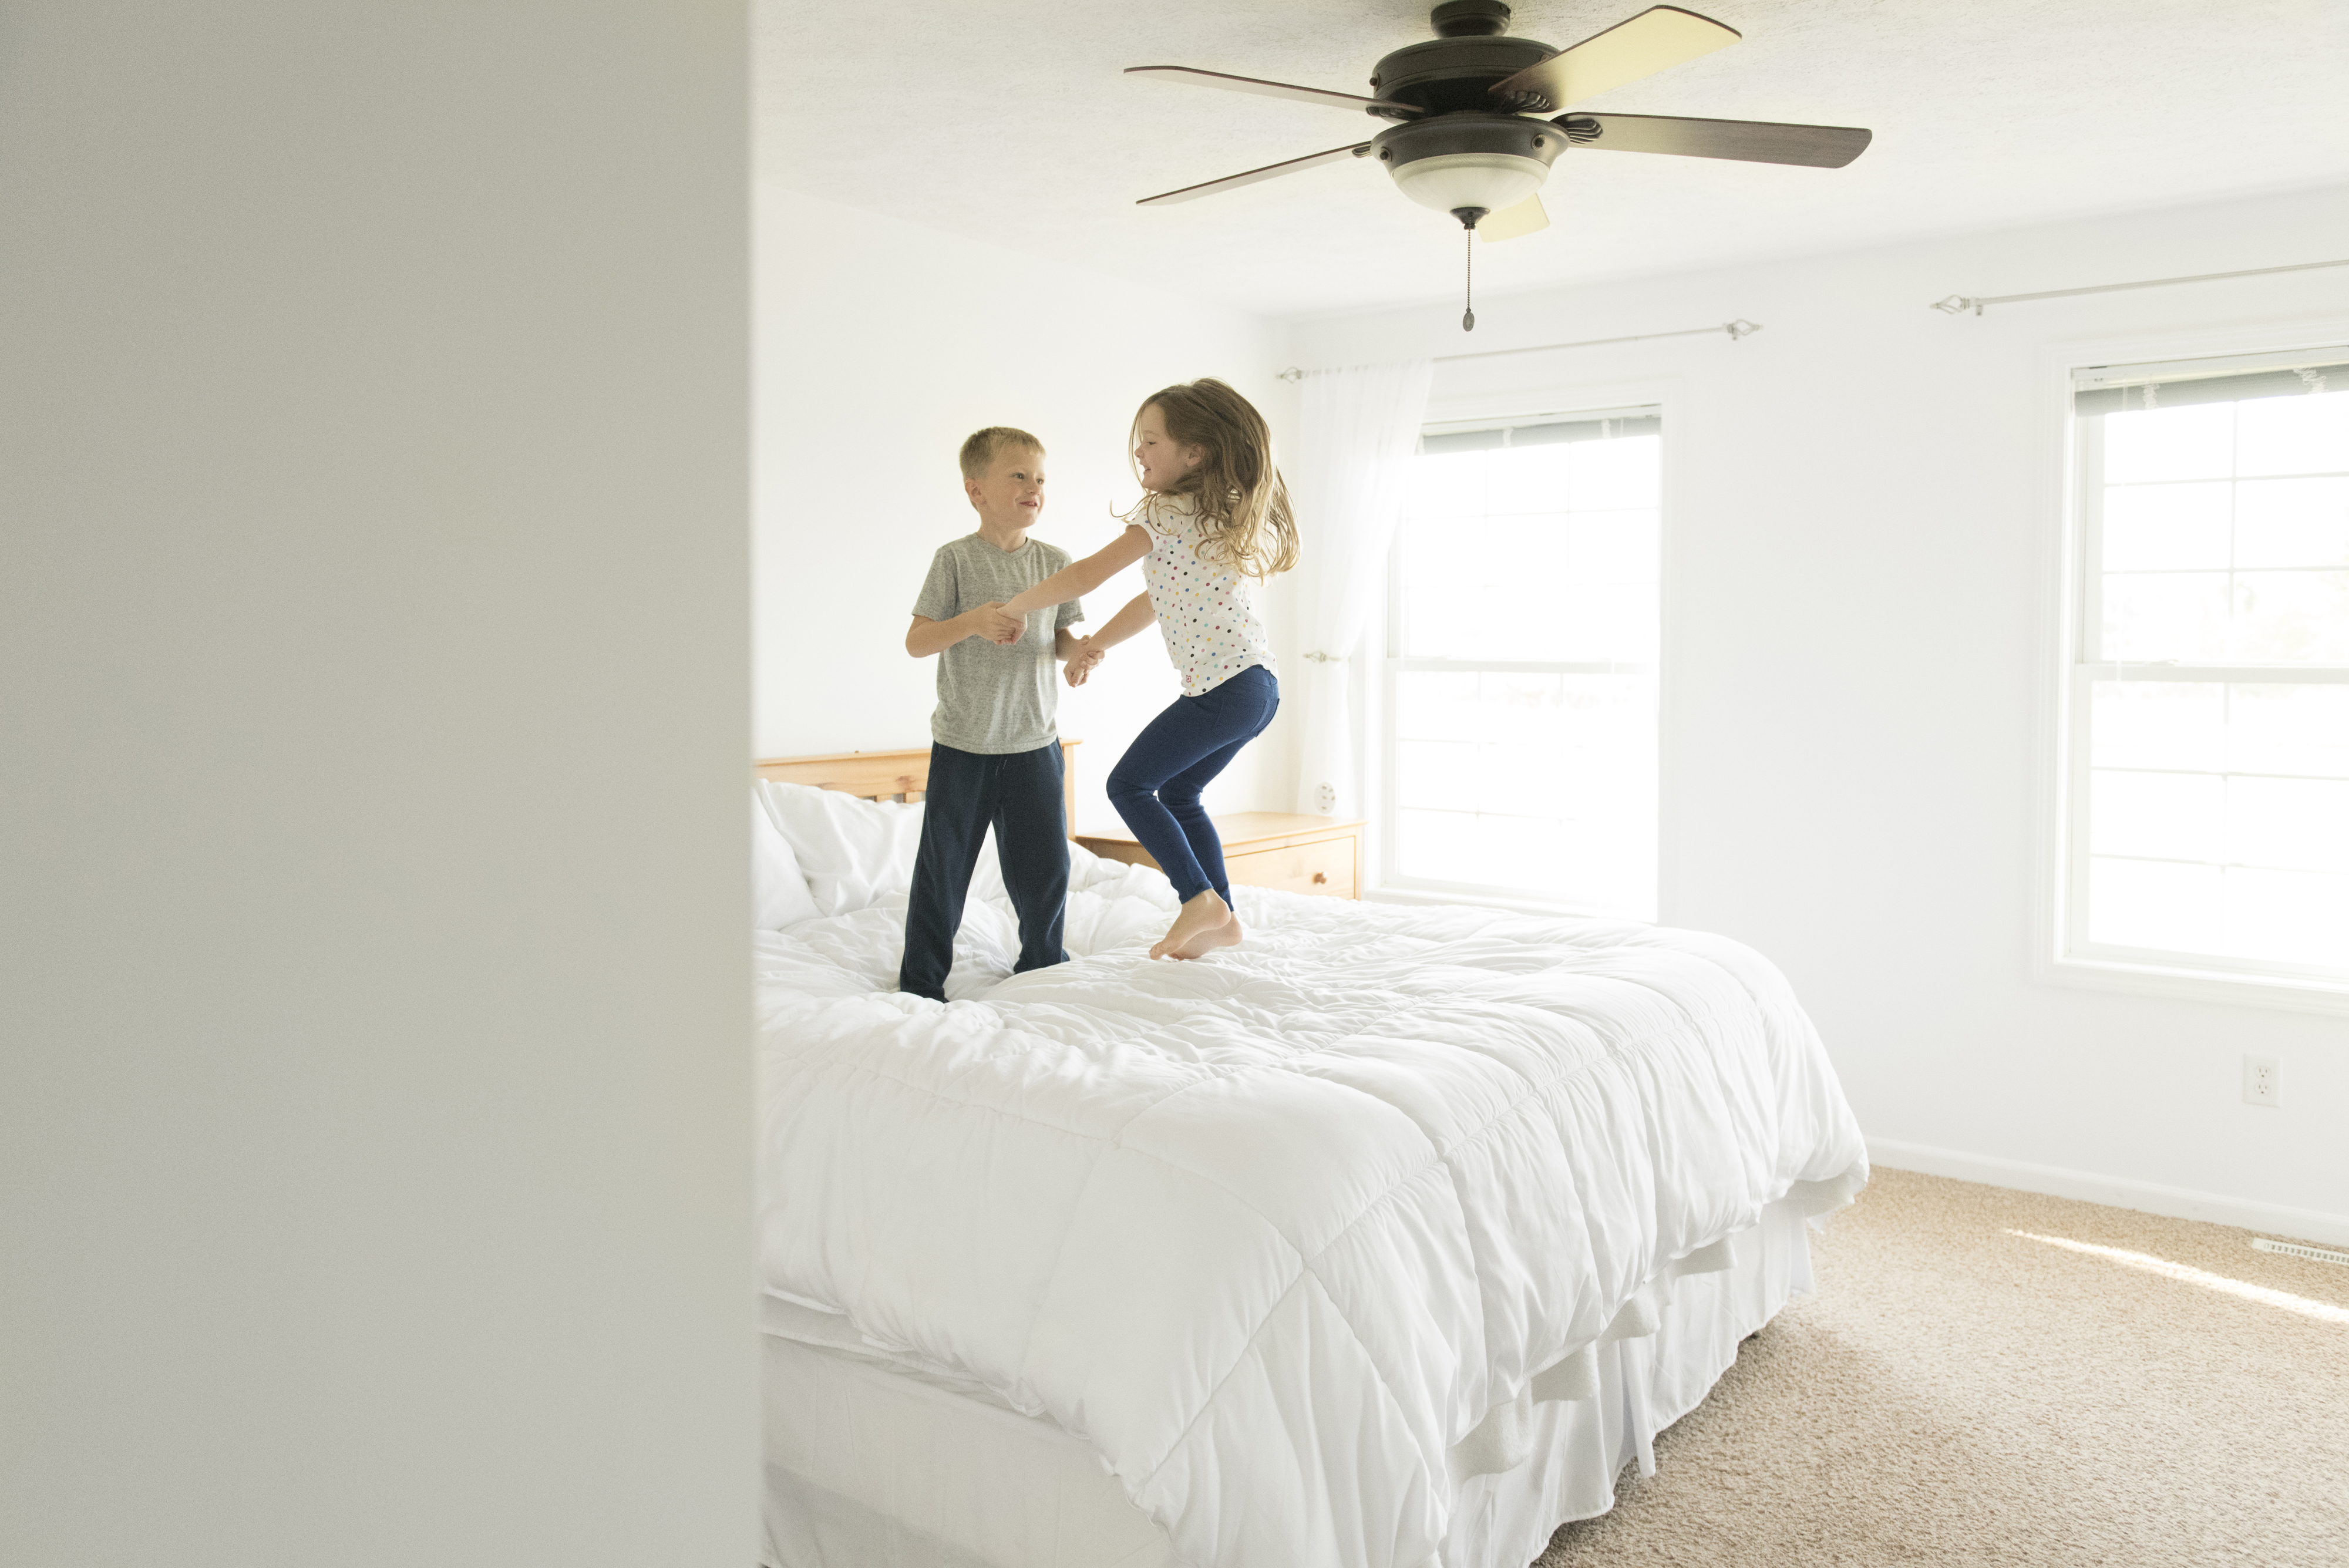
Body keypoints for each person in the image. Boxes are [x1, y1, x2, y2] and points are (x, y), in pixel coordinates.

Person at [999, 378, 1297, 962]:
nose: (1139, 451)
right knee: (1181, 793)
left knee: (1128, 785)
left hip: (1224, 687)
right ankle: (1219, 917)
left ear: (1194, 453)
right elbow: (1157, 599)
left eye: (1151, 441)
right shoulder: (1212, 514)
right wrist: (1095, 645)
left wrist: (1014, 606)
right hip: (1257, 687)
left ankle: (1198, 899)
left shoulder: (1164, 511)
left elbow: (1086, 575)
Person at [898, 426, 1102, 1001]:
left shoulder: (1055, 563)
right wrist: (972, 622)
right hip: (964, 745)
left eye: (1040, 478)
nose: (1033, 487)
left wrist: (1078, 653)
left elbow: (1059, 637)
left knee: (1046, 872)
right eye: (1018, 475)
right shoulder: (955, 560)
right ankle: (919, 985)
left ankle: (1041, 969)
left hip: (1035, 743)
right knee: (943, 875)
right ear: (975, 490)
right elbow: (917, 642)